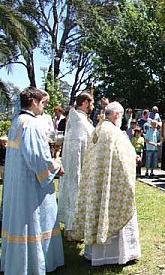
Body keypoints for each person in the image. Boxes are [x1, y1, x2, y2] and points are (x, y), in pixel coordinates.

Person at [1, 87, 64, 274]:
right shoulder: (31, 123)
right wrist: (56, 167)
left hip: (16, 182)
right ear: (34, 102)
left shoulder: (17, 121)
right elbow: (37, 157)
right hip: (30, 185)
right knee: (34, 221)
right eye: (43, 103)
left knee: (19, 220)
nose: (44, 108)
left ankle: (18, 262)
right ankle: (34, 265)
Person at [70, 101, 141, 266]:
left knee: (98, 210)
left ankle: (95, 254)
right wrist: (133, 158)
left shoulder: (99, 129)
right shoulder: (114, 133)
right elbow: (122, 158)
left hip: (97, 183)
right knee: (112, 211)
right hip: (112, 185)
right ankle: (117, 255)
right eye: (121, 116)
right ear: (117, 115)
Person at [58, 92, 95, 235]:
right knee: (75, 193)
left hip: (73, 164)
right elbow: (88, 141)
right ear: (85, 103)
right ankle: (74, 230)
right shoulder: (79, 120)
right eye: (91, 103)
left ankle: (71, 227)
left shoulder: (76, 118)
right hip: (77, 165)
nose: (92, 106)